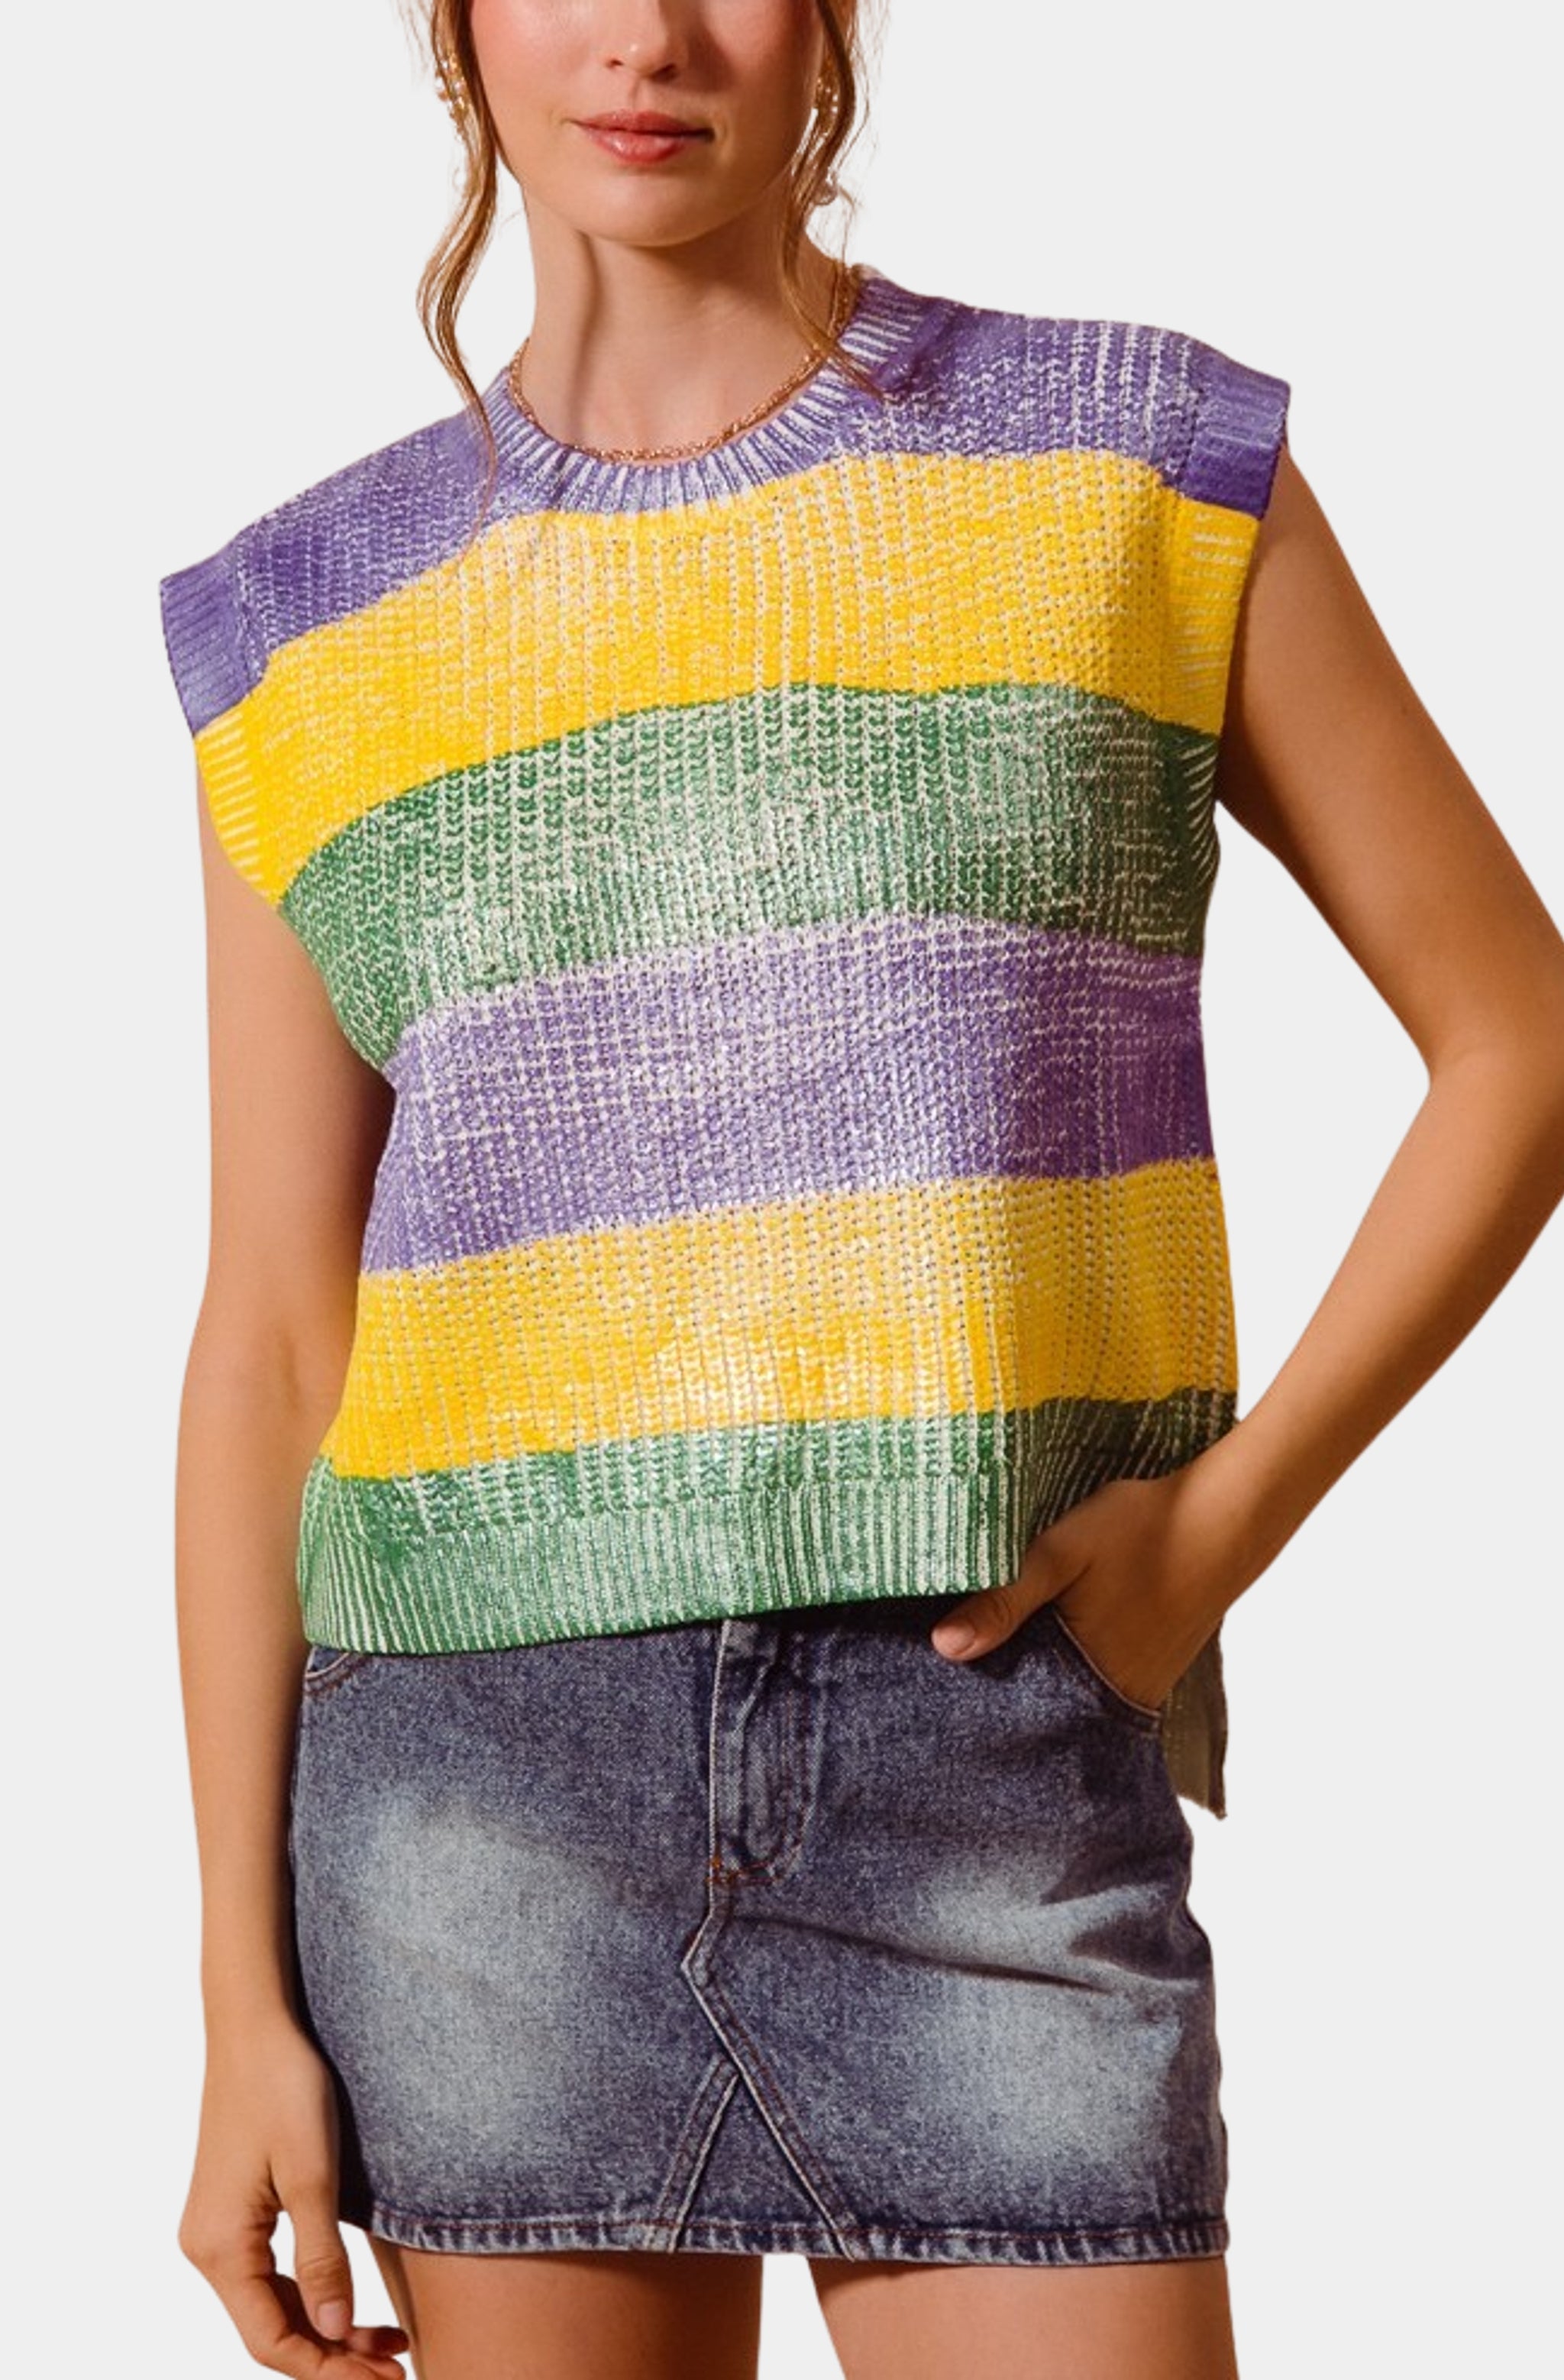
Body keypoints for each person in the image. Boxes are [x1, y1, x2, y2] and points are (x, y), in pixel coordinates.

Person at [153, 3, 1564, 2376]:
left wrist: (1212, 1531)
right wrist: (233, 1995)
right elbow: (281, 1333)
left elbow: (1519, 1036)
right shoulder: (308, 617)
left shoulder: (1133, 466)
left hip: (987, 1758)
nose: (647, 36)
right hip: (477, 1823)